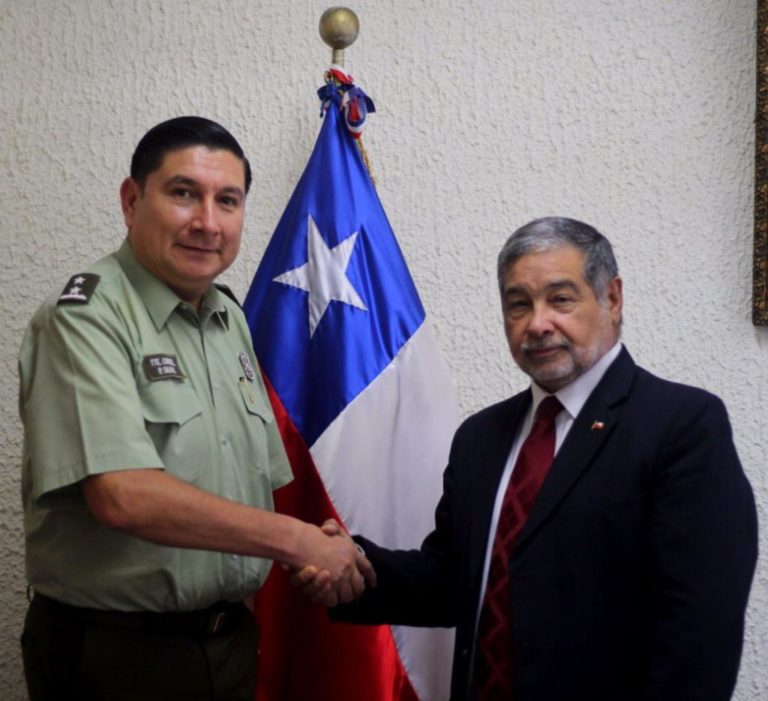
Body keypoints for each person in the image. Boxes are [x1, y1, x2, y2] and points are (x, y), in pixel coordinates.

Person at [300, 217, 758, 700]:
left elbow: (699, 635)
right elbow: (453, 581)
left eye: (560, 299)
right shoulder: (480, 438)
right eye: (519, 304)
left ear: (612, 298)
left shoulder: (682, 426)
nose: (538, 324)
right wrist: (356, 566)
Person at [18, 116, 374, 701]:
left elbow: (249, 488)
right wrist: (297, 541)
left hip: (227, 646)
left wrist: (319, 548)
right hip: (118, 657)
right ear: (132, 201)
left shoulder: (228, 318)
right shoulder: (85, 318)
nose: (208, 222)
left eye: (227, 201)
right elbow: (123, 494)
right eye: (184, 193)